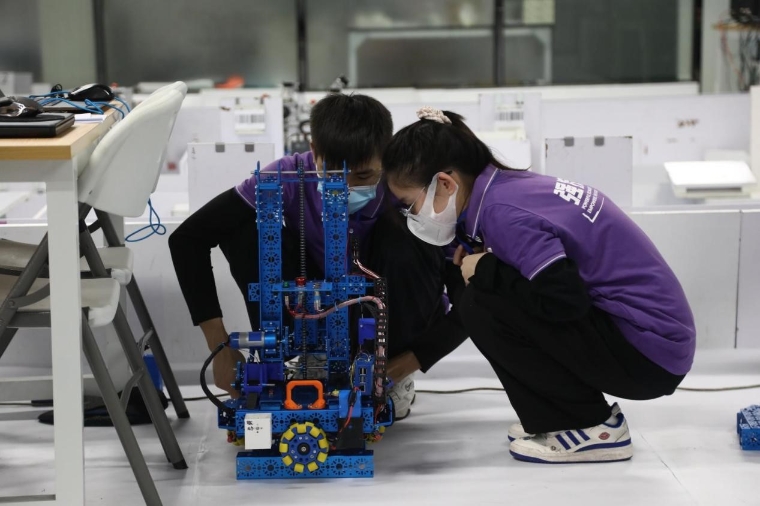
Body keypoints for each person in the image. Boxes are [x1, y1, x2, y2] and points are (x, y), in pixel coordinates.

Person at [380, 106, 696, 463]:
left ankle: (590, 425)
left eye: (409, 204)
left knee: (480, 301)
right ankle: (558, 419)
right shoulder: (507, 189)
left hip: (647, 357)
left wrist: (487, 269)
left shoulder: (503, 213)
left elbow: (565, 300)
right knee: (484, 292)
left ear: (445, 184)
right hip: (655, 342)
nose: (411, 215)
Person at [169, 95, 467, 420]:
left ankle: (388, 369)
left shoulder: (410, 186)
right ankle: (298, 360)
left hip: (388, 317)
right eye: (332, 172)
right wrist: (220, 347)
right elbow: (188, 239)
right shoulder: (286, 176)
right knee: (245, 230)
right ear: (314, 149)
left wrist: (409, 360)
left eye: (363, 177)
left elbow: (472, 295)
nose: (345, 189)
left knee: (409, 237)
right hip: (315, 310)